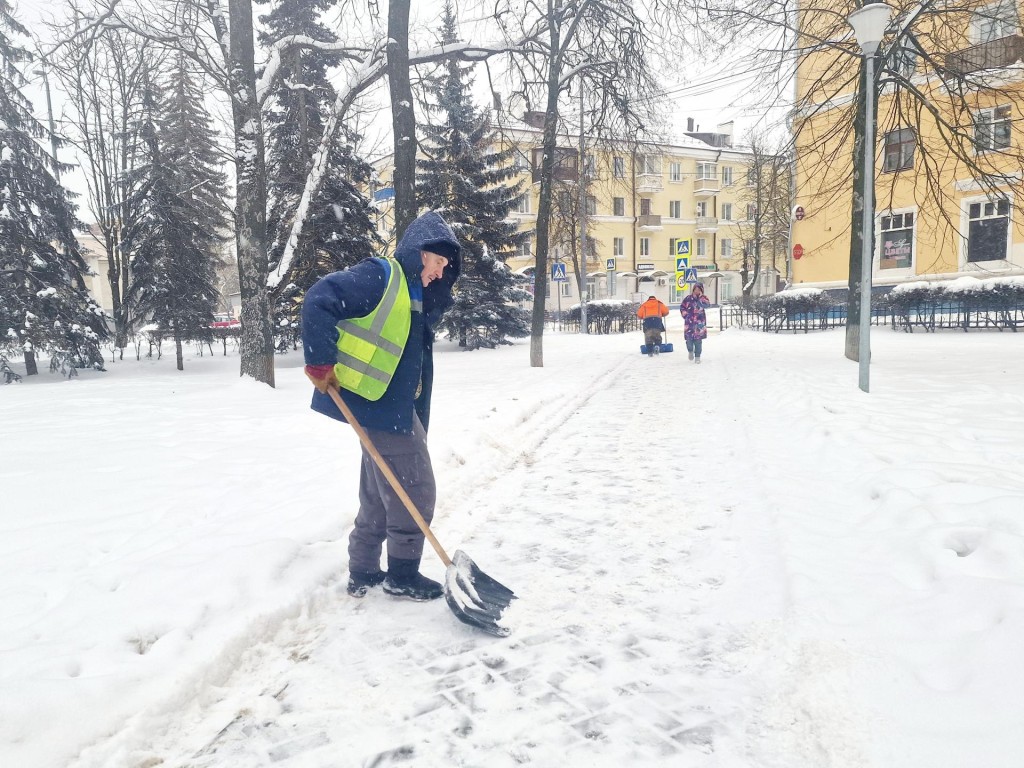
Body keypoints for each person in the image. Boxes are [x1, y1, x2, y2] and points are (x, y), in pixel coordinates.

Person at [301, 210, 461, 602]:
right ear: (421, 252)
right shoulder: (383, 276)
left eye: (446, 266)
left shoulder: (412, 294)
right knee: (416, 488)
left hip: (381, 405)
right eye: (439, 261)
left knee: (378, 492)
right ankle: (402, 575)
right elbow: (319, 298)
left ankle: (364, 570)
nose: (441, 271)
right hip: (381, 407)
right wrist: (320, 361)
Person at [679, 282, 711, 363]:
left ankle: (697, 357)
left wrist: (701, 298)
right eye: (695, 289)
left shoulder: (704, 298)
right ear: (693, 290)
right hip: (689, 323)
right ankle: (690, 351)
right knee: (689, 341)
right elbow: (682, 307)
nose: (697, 291)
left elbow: (707, 305)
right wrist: (685, 315)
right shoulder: (688, 298)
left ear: (701, 290)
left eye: (699, 290)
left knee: (698, 341)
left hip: (699, 324)